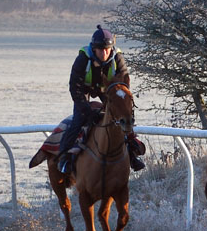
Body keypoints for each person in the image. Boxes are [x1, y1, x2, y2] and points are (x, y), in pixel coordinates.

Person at [57, 25, 146, 173]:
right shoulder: (83, 58)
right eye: (101, 49)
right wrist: (87, 111)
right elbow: (75, 88)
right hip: (84, 89)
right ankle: (64, 158)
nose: (105, 53)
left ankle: (132, 156)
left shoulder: (117, 57)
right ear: (94, 49)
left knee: (122, 118)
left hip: (108, 90)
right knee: (79, 120)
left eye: (108, 49)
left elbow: (124, 83)